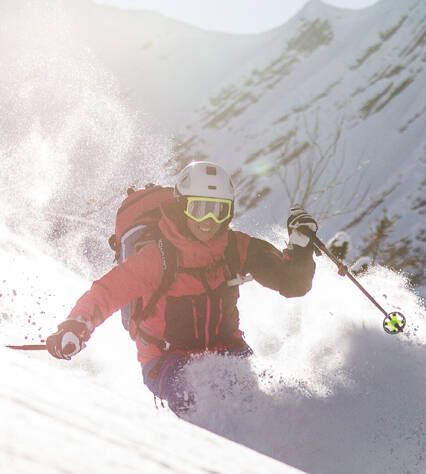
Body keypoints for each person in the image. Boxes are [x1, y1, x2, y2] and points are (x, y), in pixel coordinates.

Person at [46, 161, 318, 413]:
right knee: (200, 402)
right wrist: (75, 327)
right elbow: (106, 293)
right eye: (199, 209)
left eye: (218, 210)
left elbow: (292, 282)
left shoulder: (236, 248)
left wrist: (302, 247)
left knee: (257, 402)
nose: (208, 221)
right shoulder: (157, 257)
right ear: (182, 207)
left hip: (227, 348)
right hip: (166, 360)